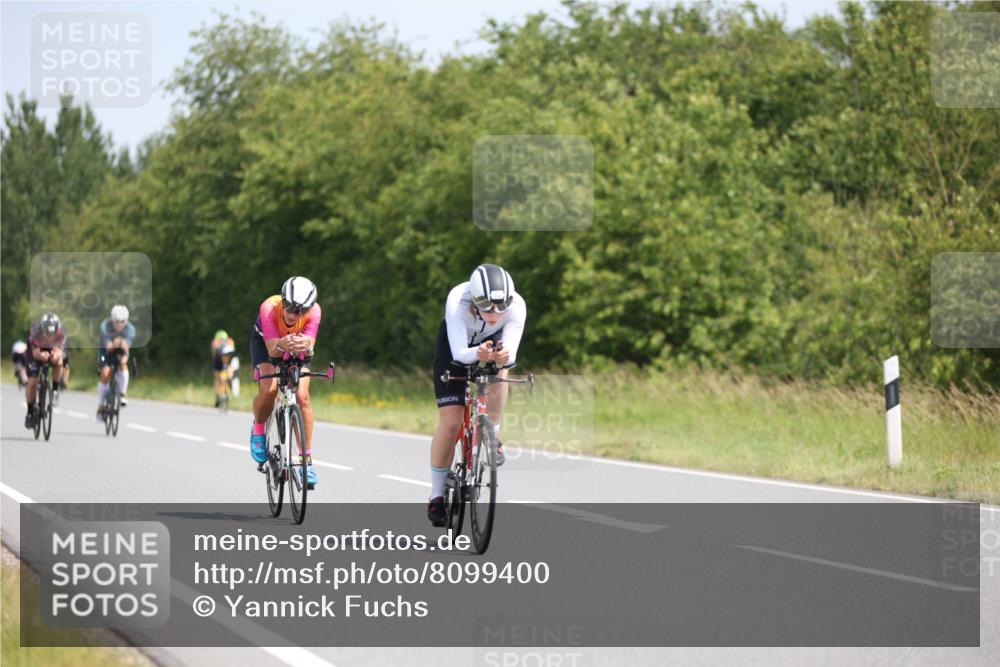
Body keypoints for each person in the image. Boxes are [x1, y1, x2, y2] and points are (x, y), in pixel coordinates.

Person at [427, 264, 526, 526]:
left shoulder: (517, 305)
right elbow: (460, 353)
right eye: (487, 307)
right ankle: (436, 495)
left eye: (500, 308)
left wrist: (502, 356)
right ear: (474, 300)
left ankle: (492, 431)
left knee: (501, 370)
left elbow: (511, 351)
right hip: (455, 347)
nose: (494, 314)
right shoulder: (458, 300)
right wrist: (477, 354)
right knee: (451, 423)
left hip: (492, 344)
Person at [248, 276, 323, 488]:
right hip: (266, 343)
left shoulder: (316, 312)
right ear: (282, 301)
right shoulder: (269, 308)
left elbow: (310, 347)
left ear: (309, 309)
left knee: (302, 396)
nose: (292, 314)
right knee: (269, 389)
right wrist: (283, 343)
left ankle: (306, 461)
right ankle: (259, 428)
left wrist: (305, 346)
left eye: (300, 311)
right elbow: (273, 350)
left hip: (297, 345)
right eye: (288, 307)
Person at [24, 313, 70, 428]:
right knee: (32, 382)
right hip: (35, 352)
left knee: (59, 362)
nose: (50, 337)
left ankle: (54, 389)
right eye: (47, 334)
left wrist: (56, 355)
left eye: (52, 334)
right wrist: (41, 355)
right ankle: (30, 413)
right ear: (42, 329)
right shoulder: (35, 331)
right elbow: (35, 353)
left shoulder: (62, 332)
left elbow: (61, 351)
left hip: (52, 348)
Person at [97, 305, 135, 418]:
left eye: (122, 322)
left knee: (123, 364)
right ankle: (100, 405)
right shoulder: (105, 326)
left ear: (126, 321)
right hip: (106, 352)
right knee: (105, 374)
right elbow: (108, 346)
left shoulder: (130, 329)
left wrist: (123, 347)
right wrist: (116, 342)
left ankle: (123, 394)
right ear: (112, 320)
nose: (119, 325)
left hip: (121, 351)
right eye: (117, 322)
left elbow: (127, 346)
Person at [211, 330, 240, 406]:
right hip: (229, 356)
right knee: (230, 368)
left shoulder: (215, 342)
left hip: (219, 357)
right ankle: (229, 379)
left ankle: (218, 396)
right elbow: (233, 352)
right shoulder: (230, 340)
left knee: (217, 377)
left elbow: (214, 355)